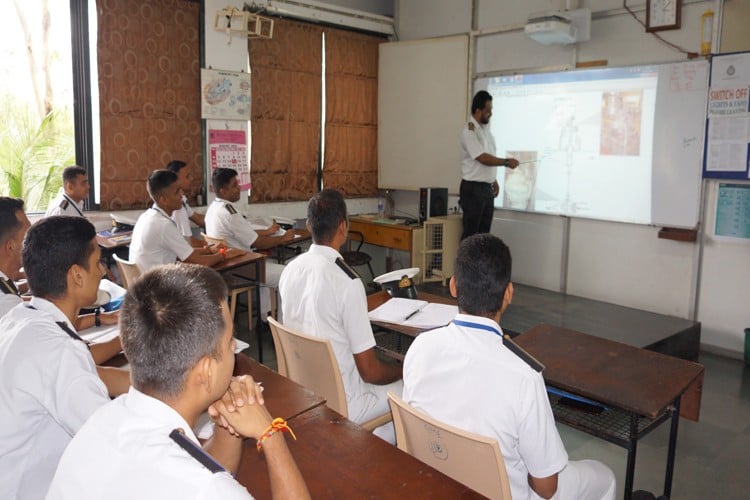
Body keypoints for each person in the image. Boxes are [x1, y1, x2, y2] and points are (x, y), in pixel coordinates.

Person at [47, 264, 310, 500]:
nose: (234, 350)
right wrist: (270, 434)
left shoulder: (103, 419)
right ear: (206, 371)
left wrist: (225, 422)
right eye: (231, 342)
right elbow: (204, 481)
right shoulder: (207, 489)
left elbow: (202, 464)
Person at [402, 234, 616, 500]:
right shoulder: (524, 376)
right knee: (605, 477)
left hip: (437, 484)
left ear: (454, 286)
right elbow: (546, 488)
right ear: (508, 294)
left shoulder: (421, 347)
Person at [0, 216, 130, 499]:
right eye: (97, 262)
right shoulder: (58, 351)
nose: (103, 272)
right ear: (76, 275)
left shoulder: (20, 319)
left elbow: (92, 375)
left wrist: (161, 385)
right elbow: (115, 444)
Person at [279, 188, 403, 443]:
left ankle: (367, 450)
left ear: (310, 225)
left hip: (304, 393)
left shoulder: (290, 270)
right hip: (344, 403)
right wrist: (403, 368)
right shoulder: (347, 281)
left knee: (383, 420)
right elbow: (370, 372)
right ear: (343, 227)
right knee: (411, 387)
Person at [205, 168, 293, 318]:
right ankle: (282, 325)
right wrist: (284, 238)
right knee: (289, 275)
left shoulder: (213, 209)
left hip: (228, 267)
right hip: (243, 269)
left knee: (268, 264)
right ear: (223, 190)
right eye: (234, 185)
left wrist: (268, 232)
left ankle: (266, 317)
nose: (238, 188)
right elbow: (259, 243)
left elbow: (247, 234)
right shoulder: (229, 213)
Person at [130, 169, 242, 273]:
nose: (181, 195)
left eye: (181, 189)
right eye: (176, 192)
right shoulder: (163, 225)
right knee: (205, 277)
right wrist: (223, 255)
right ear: (163, 200)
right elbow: (200, 262)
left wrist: (209, 250)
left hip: (143, 283)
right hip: (157, 287)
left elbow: (184, 254)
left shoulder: (146, 217)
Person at [460, 90, 519, 239]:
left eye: (491, 110)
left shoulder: (486, 130)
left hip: (485, 189)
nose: (490, 113)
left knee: (484, 236)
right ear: (478, 110)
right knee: (471, 237)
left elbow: (486, 159)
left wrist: (493, 180)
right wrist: (506, 162)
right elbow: (482, 158)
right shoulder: (469, 131)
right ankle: (466, 263)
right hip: (473, 190)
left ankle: (481, 263)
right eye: (488, 110)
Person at [0, 197, 30, 317]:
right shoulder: (6, 303)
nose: (34, 241)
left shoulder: (5, 285)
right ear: (11, 247)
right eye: (28, 236)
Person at [166, 159, 206, 246]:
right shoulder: (177, 207)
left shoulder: (181, 200)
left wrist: (215, 219)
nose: (192, 178)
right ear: (175, 180)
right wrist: (210, 245)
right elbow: (187, 242)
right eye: (187, 176)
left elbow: (198, 218)